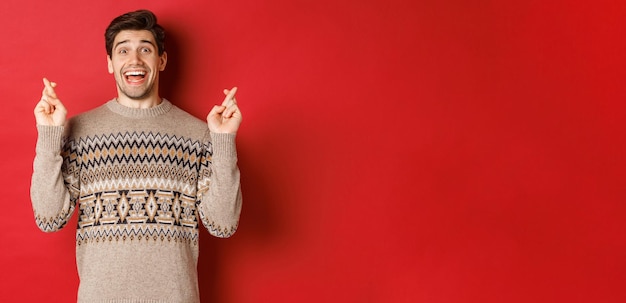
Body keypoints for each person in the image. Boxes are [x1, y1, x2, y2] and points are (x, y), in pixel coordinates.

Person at [30, 9, 242, 302]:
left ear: (161, 60)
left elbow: (223, 224)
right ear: (110, 63)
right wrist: (49, 135)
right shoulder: (79, 131)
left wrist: (223, 140)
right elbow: (48, 218)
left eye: (145, 49)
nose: (134, 60)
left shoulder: (199, 134)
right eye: (123, 50)